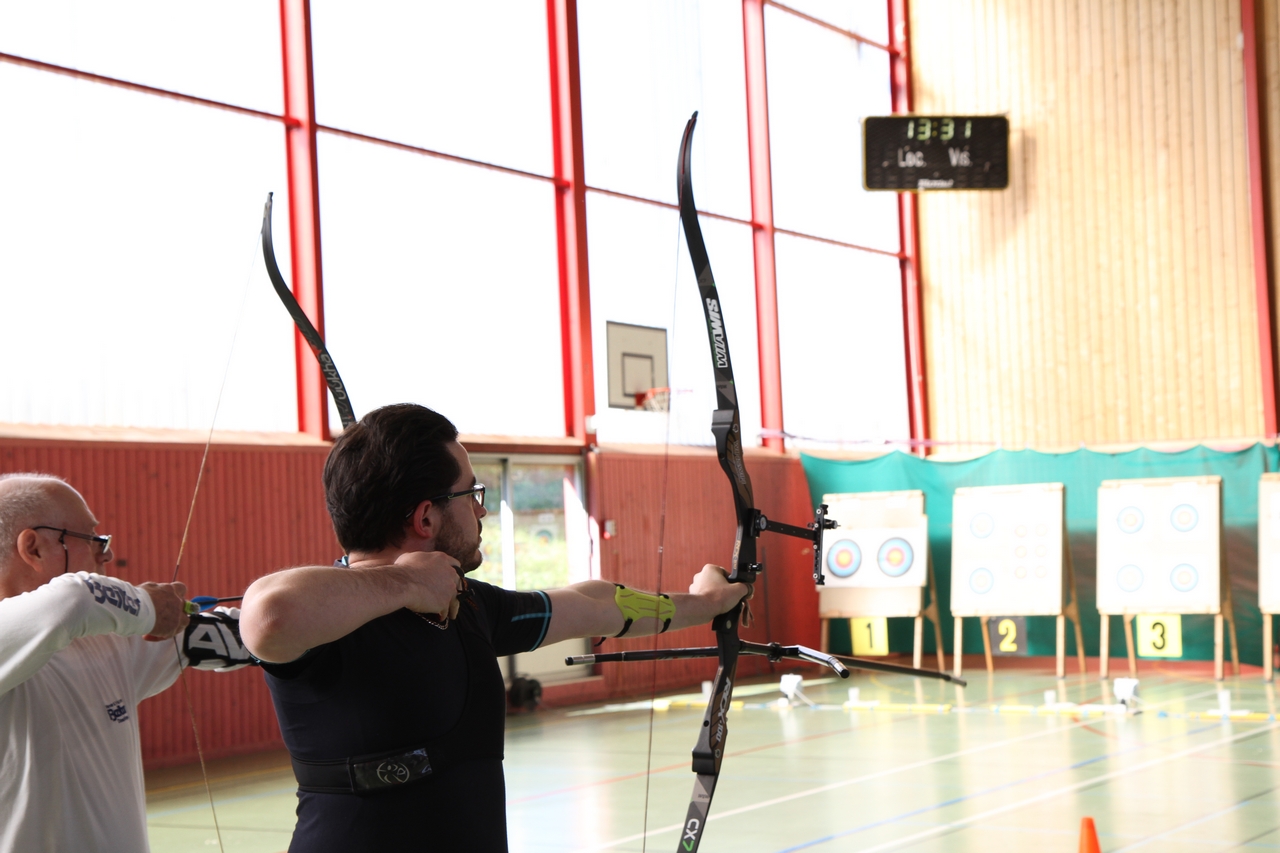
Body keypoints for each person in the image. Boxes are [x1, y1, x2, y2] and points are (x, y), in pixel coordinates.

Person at [240, 403, 749, 852]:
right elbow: (267, 616)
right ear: (425, 518)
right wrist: (402, 583)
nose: (481, 508)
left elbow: (595, 604)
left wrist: (700, 604)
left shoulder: (469, 607)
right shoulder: (331, 622)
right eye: (470, 493)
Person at [0, 473, 253, 853]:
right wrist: (150, 607)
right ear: (33, 548)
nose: (106, 554)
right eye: (92, 539)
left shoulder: (106, 643)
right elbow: (75, 599)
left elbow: (246, 633)